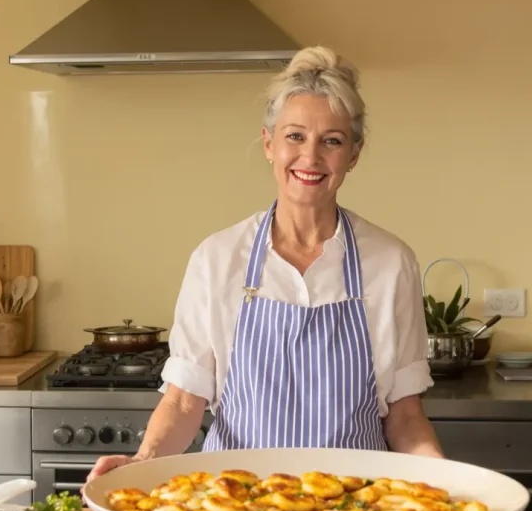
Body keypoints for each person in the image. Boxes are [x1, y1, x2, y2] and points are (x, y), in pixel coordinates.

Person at [86, 46, 443, 482]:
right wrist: (143, 462)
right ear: (269, 143)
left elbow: (405, 416)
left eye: (331, 140)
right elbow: (184, 401)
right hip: (235, 508)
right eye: (295, 136)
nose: (310, 158)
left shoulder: (390, 263)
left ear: (353, 154)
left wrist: (445, 484)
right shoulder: (217, 259)